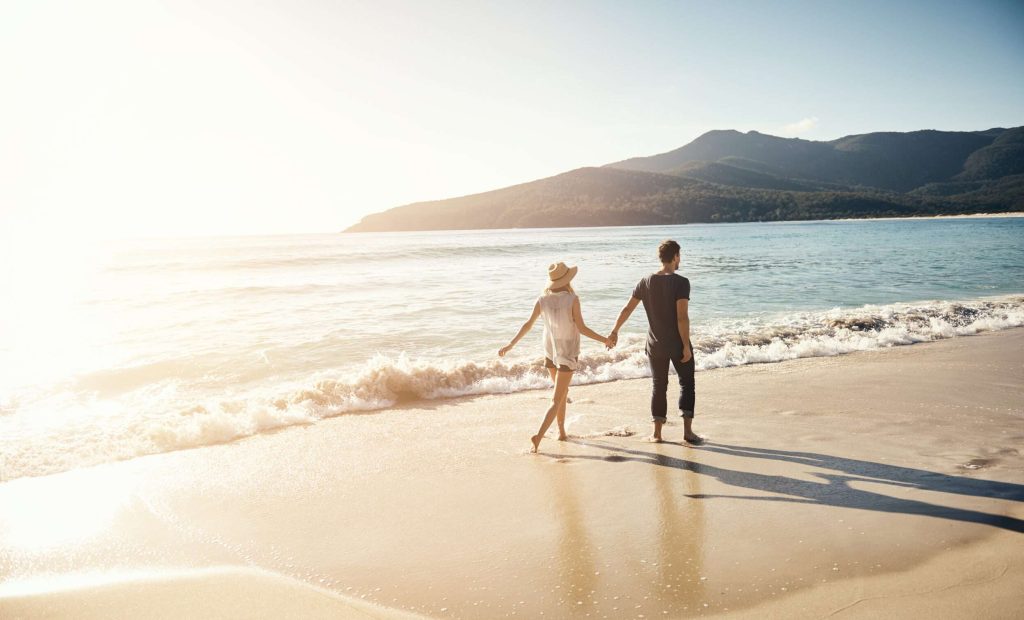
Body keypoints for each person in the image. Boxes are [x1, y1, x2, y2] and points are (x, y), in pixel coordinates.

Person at [499, 262, 611, 453]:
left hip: (550, 351)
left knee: (562, 394)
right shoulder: (573, 299)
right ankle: (538, 436)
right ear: (567, 280)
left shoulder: (543, 299)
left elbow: (528, 324)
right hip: (567, 352)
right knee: (557, 399)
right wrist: (605, 340)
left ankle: (561, 432)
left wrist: (511, 344)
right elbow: (582, 328)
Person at [608, 240, 702, 444]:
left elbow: (627, 309)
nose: (680, 260)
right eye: (680, 256)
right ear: (676, 256)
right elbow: (681, 317)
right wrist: (686, 345)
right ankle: (687, 433)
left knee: (659, 386)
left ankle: (657, 434)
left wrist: (615, 330)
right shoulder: (681, 282)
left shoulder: (645, 282)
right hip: (677, 343)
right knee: (687, 384)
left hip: (655, 345)